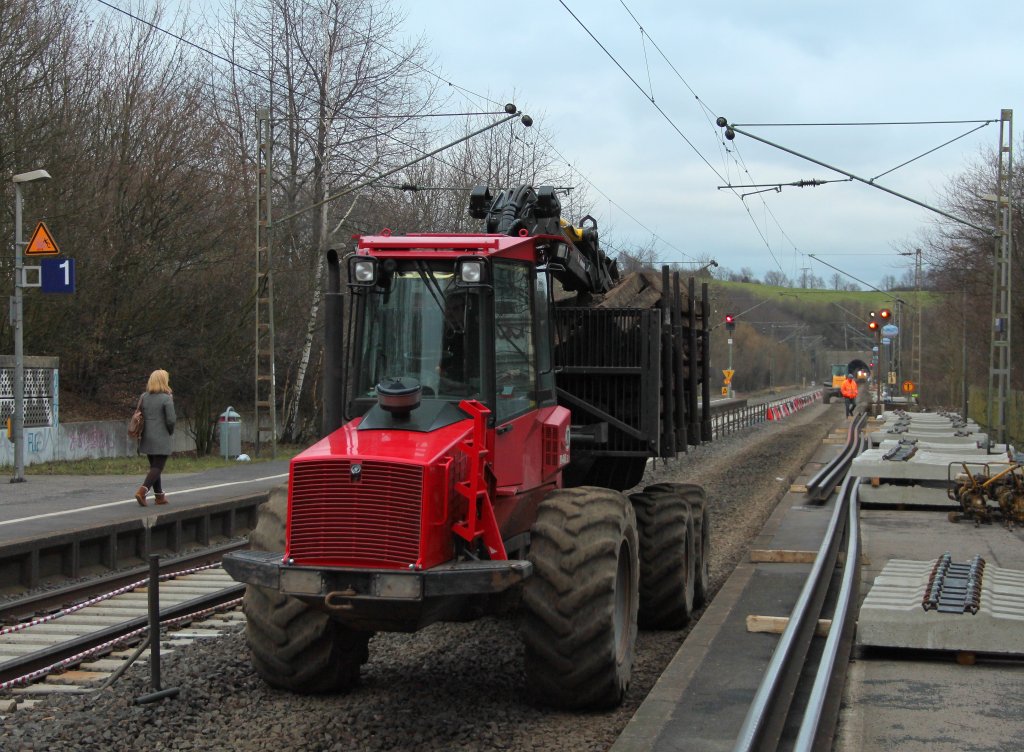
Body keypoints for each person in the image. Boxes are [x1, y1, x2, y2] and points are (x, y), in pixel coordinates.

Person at [134, 369, 176, 506]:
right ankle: (142, 491)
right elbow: (171, 420)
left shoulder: (144, 397)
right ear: (164, 381)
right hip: (161, 437)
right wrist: (170, 431)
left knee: (154, 466)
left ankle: (159, 496)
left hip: (146, 436)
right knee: (158, 466)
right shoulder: (166, 398)